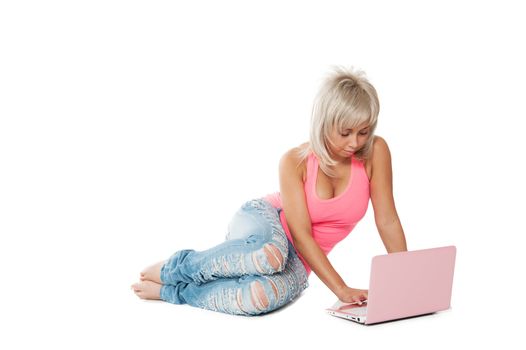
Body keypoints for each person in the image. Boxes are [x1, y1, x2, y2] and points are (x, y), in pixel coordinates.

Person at [131, 65, 408, 316]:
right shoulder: (294, 161)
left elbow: (387, 220)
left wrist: (408, 278)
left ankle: (172, 292)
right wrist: (341, 289)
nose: (355, 142)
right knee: (268, 256)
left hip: (301, 260)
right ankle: (176, 268)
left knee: (259, 297)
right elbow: (300, 234)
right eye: (345, 132)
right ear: (324, 123)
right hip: (266, 221)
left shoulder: (375, 152)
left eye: (363, 131)